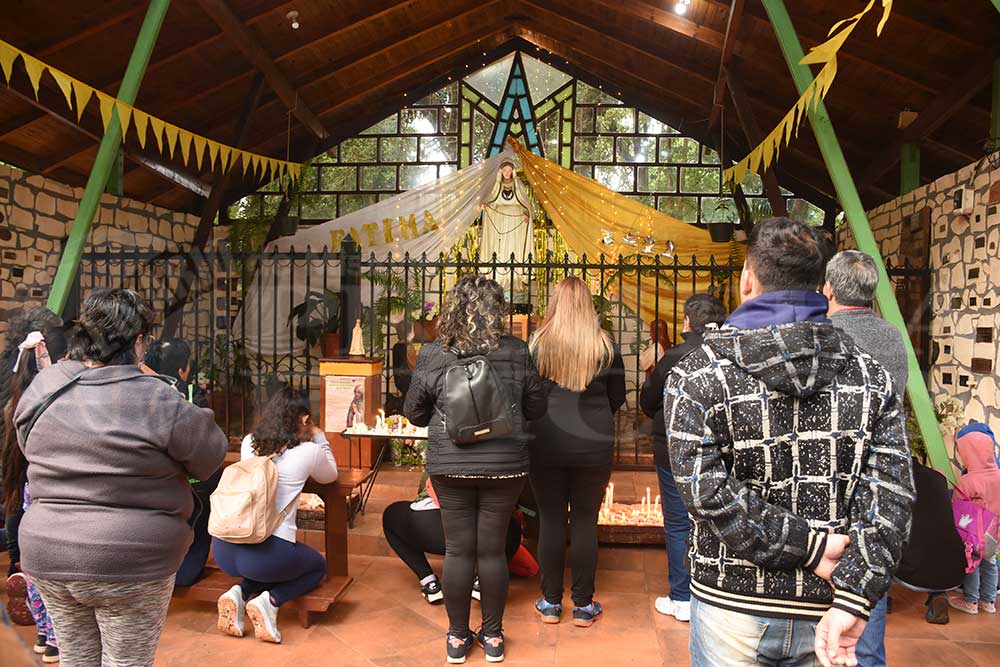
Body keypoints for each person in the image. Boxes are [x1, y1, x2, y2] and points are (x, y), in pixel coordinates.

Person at [663, 218, 915, 667]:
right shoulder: (870, 377)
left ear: (746, 279)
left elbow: (705, 493)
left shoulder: (697, 375)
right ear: (821, 286)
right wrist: (854, 593)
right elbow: (891, 495)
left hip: (731, 601)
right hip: (830, 601)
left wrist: (811, 551)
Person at [14, 288, 228, 667]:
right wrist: (154, 379)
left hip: (48, 553)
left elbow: (27, 443)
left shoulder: (46, 386)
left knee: (76, 659)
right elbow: (210, 455)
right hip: (130, 560)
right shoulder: (156, 397)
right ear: (139, 341)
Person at [404, 275, 549, 664]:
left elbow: (414, 413)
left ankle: (456, 638)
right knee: (491, 551)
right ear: (497, 311)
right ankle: (494, 637)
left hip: (450, 466)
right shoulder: (516, 351)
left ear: (452, 310)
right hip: (504, 467)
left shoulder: (434, 353)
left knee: (458, 551)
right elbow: (537, 407)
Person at [823, 250, 909, 667]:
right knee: (868, 578)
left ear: (828, 288)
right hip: (877, 476)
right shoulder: (893, 337)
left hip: (827, 475)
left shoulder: (822, 334)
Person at [526, 277, 625, 627]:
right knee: (585, 520)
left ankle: (551, 603)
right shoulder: (605, 346)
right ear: (588, 306)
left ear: (556, 303)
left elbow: (527, 393)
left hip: (546, 440)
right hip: (593, 442)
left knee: (551, 519)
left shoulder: (538, 344)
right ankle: (583, 605)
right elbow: (617, 397)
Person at [213, 386, 338, 644]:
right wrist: (319, 435)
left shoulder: (249, 442)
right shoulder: (308, 451)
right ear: (304, 418)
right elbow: (330, 476)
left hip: (225, 549)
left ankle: (239, 592)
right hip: (269, 556)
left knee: (264, 566)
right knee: (317, 567)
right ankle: (271, 601)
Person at [639, 294, 726, 623]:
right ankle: (716, 593)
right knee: (719, 518)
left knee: (677, 523)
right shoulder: (732, 353)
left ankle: (682, 597)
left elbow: (648, 399)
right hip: (722, 449)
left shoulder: (674, 356)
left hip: (674, 450)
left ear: (687, 322)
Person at [2, 324, 69, 663]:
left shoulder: (15, 404)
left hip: (25, 499)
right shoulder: (54, 403)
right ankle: (57, 637)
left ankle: (44, 633)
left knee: (35, 570)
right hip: (51, 497)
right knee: (58, 573)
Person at [381, 474, 529, 605]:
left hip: (440, 528)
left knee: (391, 514)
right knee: (513, 528)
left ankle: (429, 583)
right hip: (490, 531)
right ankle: (482, 581)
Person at [143, 338, 220, 588]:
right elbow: (206, 437)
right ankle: (187, 571)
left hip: (152, 479)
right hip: (190, 481)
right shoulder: (190, 392)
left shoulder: (140, 391)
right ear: (181, 370)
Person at [947, 426, 1000, 616]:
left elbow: (957, 506)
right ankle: (989, 600)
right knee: (990, 563)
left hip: (975, 533)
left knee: (973, 564)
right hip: (995, 531)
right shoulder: (998, 475)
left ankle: (970, 601)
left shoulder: (968, 480)